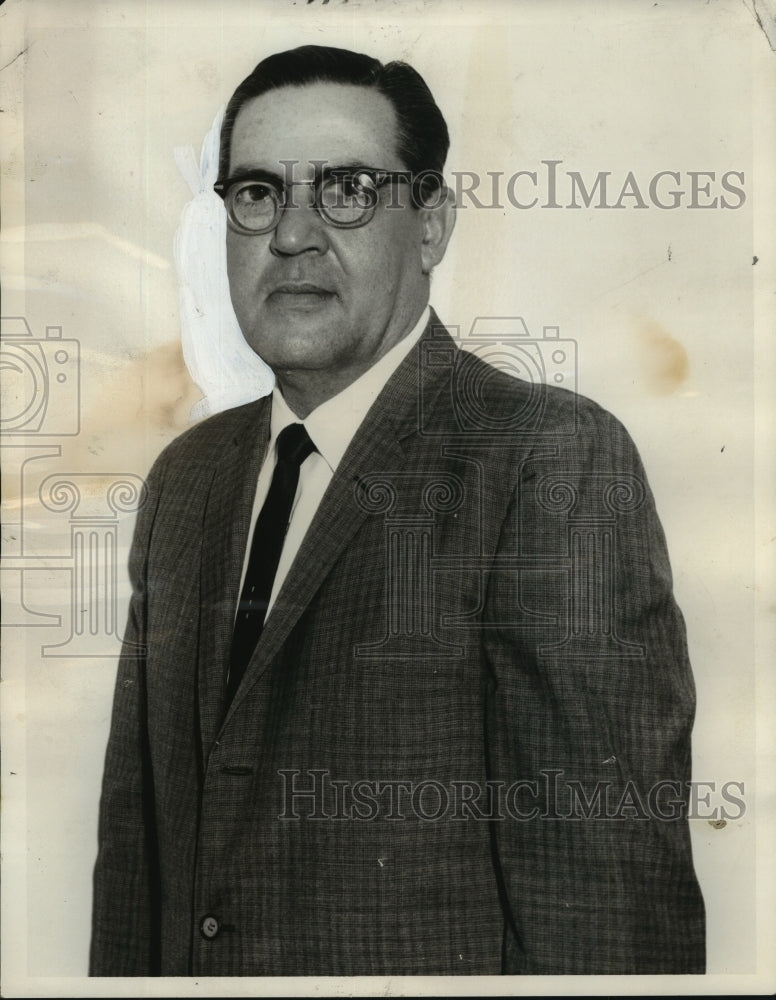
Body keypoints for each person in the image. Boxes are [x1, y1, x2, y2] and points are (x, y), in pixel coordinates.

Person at [90, 45, 705, 977]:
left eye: (345, 189)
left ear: (430, 225)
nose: (292, 234)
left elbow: (607, 916)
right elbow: (136, 876)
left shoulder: (547, 462)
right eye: (257, 192)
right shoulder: (187, 481)